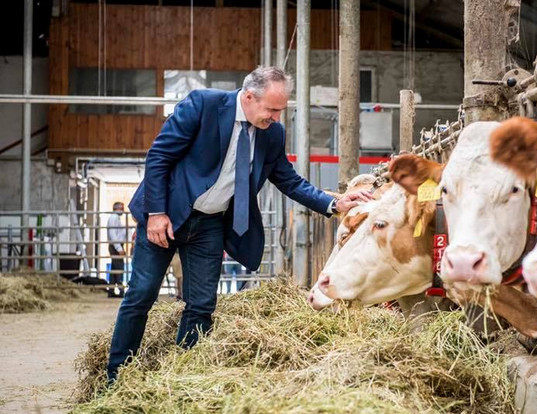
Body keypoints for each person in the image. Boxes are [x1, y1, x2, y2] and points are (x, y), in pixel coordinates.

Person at [106, 66, 370, 382]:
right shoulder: (202, 104)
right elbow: (159, 157)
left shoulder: (272, 133)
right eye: (271, 109)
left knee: (202, 304)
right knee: (141, 294)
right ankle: (118, 375)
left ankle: (185, 376)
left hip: (210, 224)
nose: (276, 117)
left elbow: (288, 180)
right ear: (248, 97)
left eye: (280, 111)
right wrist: (156, 213)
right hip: (168, 216)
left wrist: (333, 203)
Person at [106, 202, 126, 298]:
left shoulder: (115, 218)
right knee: (119, 268)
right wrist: (119, 248)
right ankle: (121, 290)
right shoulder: (114, 218)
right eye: (122, 208)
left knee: (115, 269)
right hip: (115, 246)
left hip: (116, 246)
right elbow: (113, 234)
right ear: (117, 208)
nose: (123, 210)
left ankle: (111, 290)